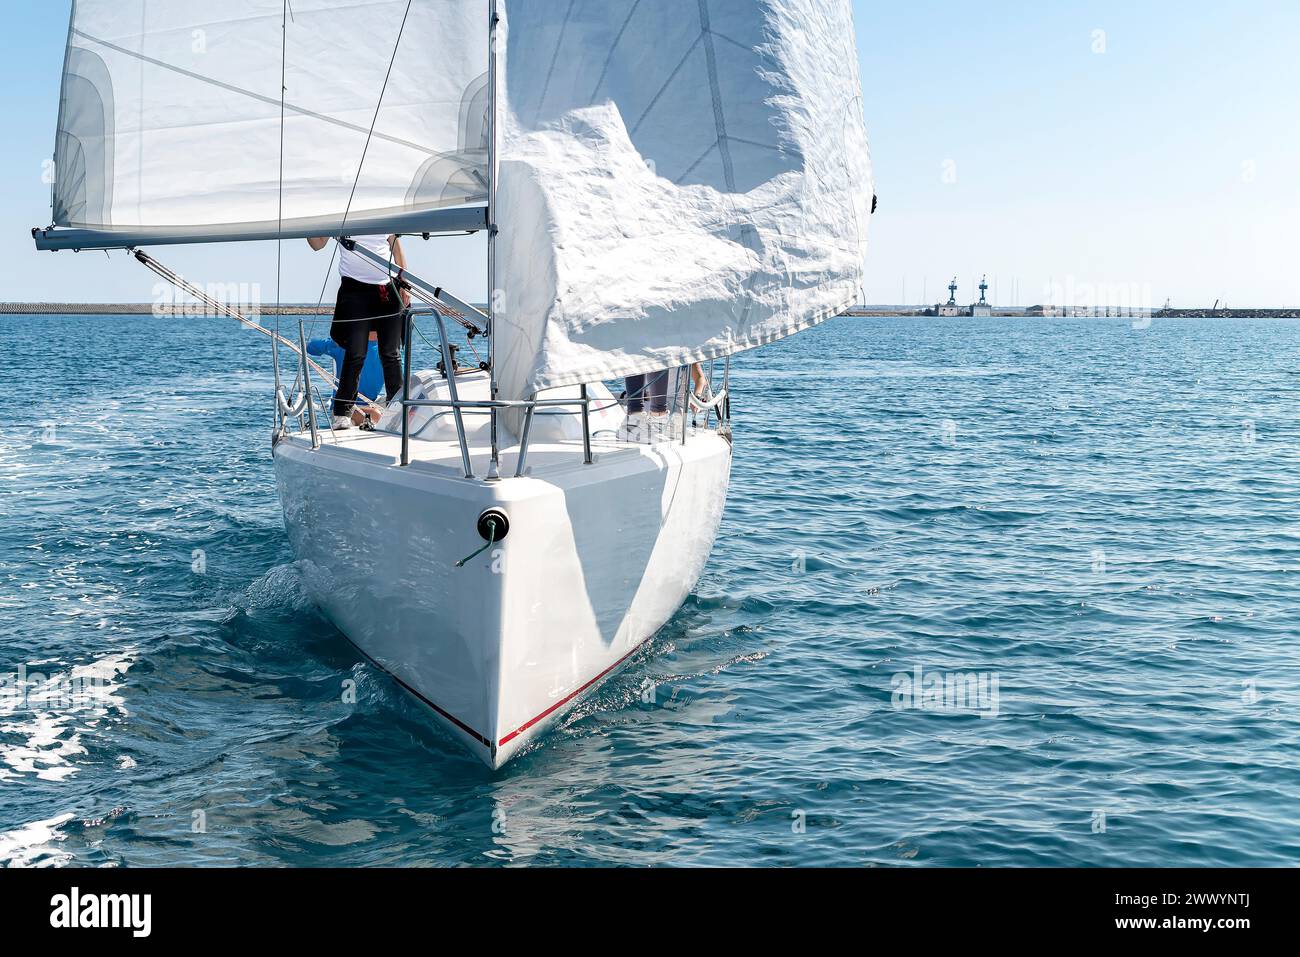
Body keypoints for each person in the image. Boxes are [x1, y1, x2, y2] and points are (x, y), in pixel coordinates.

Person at [307, 233, 411, 430]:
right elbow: (317, 245)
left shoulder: (385, 212)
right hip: (354, 290)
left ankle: (399, 411)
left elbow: (396, 248)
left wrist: (404, 284)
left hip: (387, 290)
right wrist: (307, 222)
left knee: (391, 353)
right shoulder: (342, 214)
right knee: (355, 353)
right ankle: (342, 413)